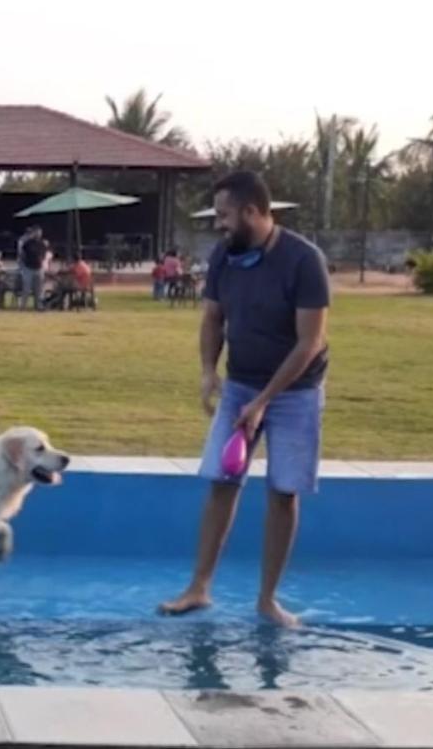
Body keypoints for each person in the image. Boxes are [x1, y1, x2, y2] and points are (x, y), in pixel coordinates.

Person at [159, 171, 330, 628]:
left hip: (296, 391)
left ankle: (267, 600)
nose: (219, 224)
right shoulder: (225, 257)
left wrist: (264, 401)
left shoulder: (303, 261)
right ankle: (198, 588)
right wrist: (207, 371)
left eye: (225, 215)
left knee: (283, 490)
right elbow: (213, 319)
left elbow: (309, 342)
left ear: (253, 212)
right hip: (239, 386)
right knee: (221, 481)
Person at [18, 226, 48, 310]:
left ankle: (38, 306)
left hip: (39, 268)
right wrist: (23, 265)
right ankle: (23, 306)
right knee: (26, 288)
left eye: (40, 232)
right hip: (28, 268)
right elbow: (22, 254)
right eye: (37, 232)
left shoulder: (42, 243)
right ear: (33, 233)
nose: (38, 234)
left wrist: (42, 262)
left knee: (39, 289)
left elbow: (44, 254)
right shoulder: (27, 243)